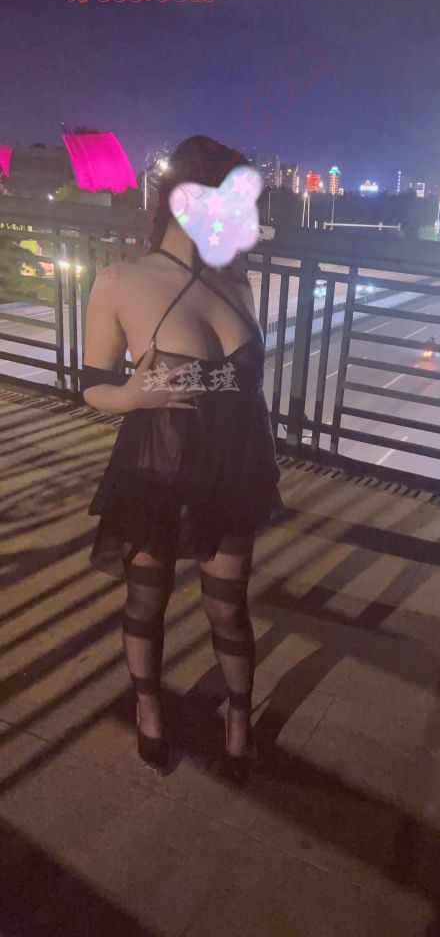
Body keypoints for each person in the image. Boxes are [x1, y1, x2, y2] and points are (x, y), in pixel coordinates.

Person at [80, 136, 285, 778]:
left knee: (228, 604)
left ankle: (238, 719)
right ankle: (150, 711)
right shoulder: (121, 280)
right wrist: (131, 395)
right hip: (156, 469)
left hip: (233, 469)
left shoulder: (236, 284)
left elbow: (243, 384)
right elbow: (92, 385)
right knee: (148, 599)